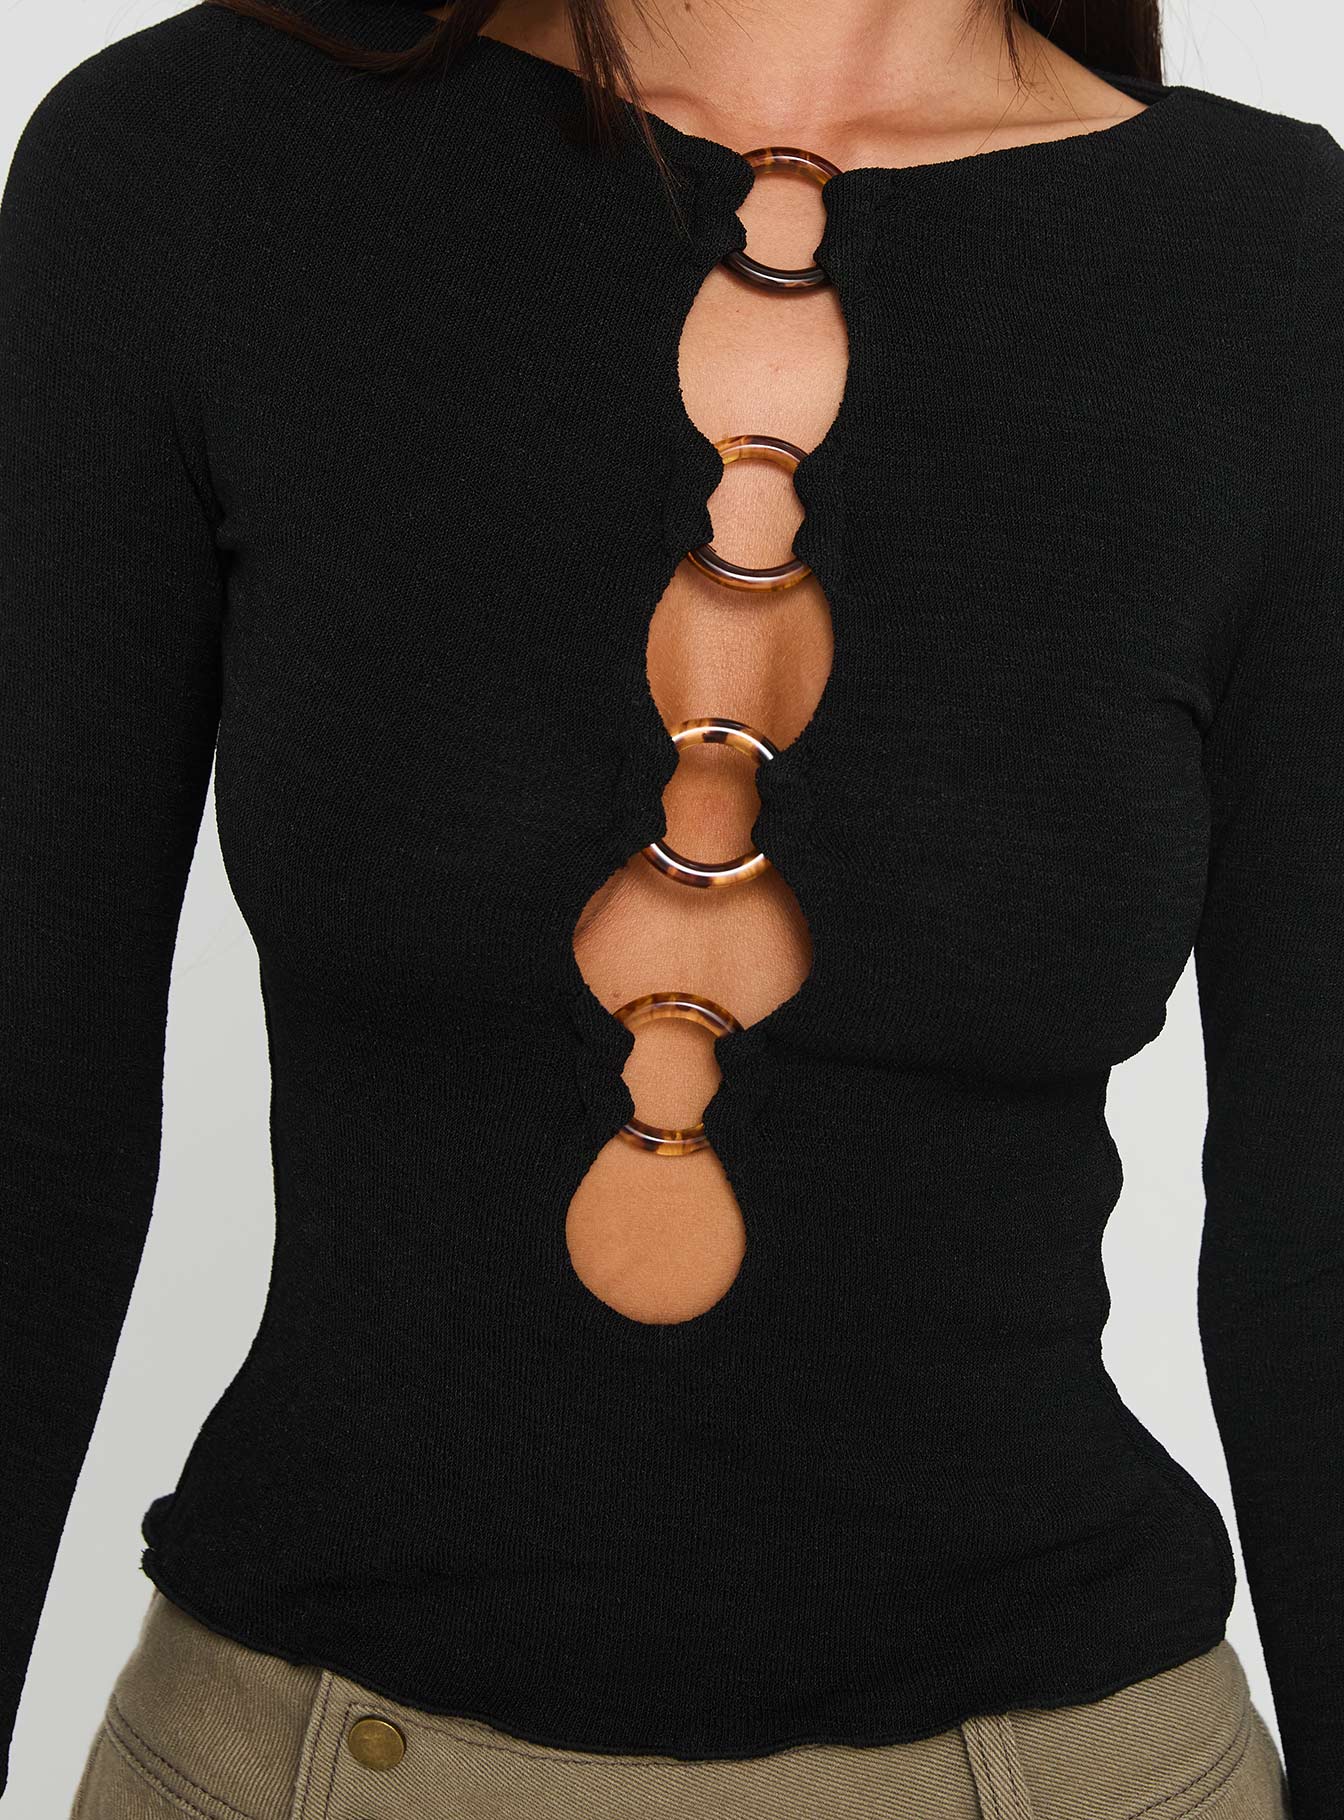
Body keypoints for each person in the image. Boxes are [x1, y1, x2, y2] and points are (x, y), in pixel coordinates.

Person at [1, 0, 1340, 1814]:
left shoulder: (1277, 269)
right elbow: (30, 1123)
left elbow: (1319, 1223)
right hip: (300, 1763)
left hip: (1071, 1770)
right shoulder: (194, 165)